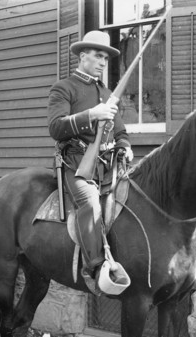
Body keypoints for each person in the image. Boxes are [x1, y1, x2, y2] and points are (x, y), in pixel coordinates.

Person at [47, 30, 134, 290]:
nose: (102, 62)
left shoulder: (108, 93)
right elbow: (55, 128)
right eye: (97, 56)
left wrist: (125, 146)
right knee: (90, 203)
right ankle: (95, 268)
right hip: (76, 163)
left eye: (105, 58)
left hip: (109, 165)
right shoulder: (64, 88)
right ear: (83, 56)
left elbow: (120, 131)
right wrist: (91, 115)